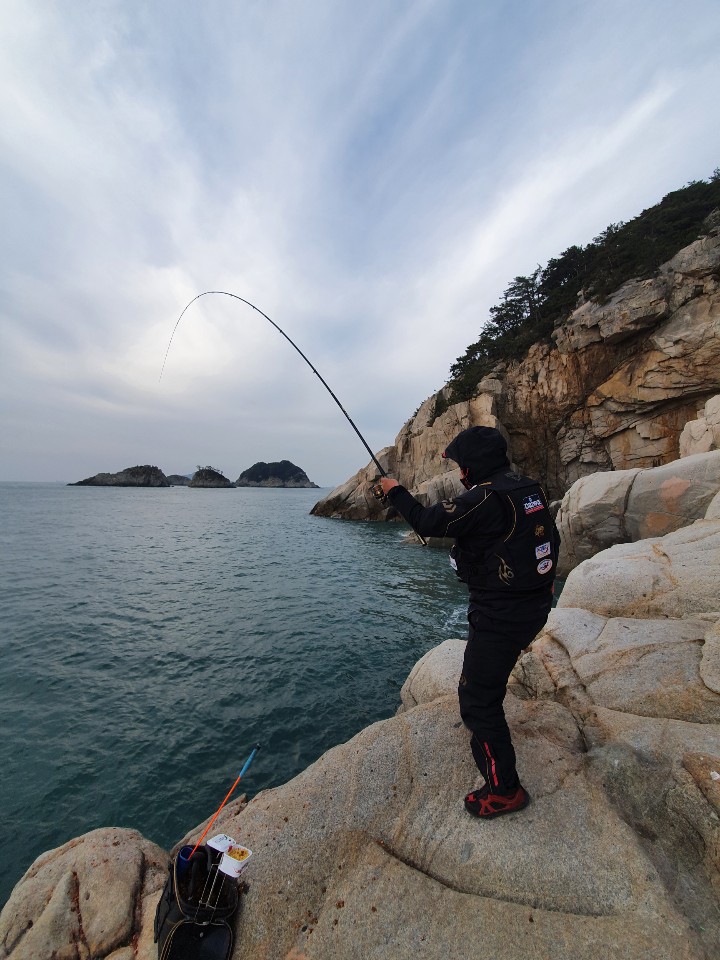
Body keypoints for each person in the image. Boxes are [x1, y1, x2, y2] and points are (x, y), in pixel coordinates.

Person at [379, 425, 559, 819]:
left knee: (477, 700)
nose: (459, 472)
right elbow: (549, 539)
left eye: (461, 464)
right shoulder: (528, 488)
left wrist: (394, 491)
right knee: (488, 682)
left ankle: (504, 790)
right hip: (533, 605)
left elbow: (427, 521)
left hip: (500, 615)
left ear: (472, 466)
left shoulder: (486, 497)